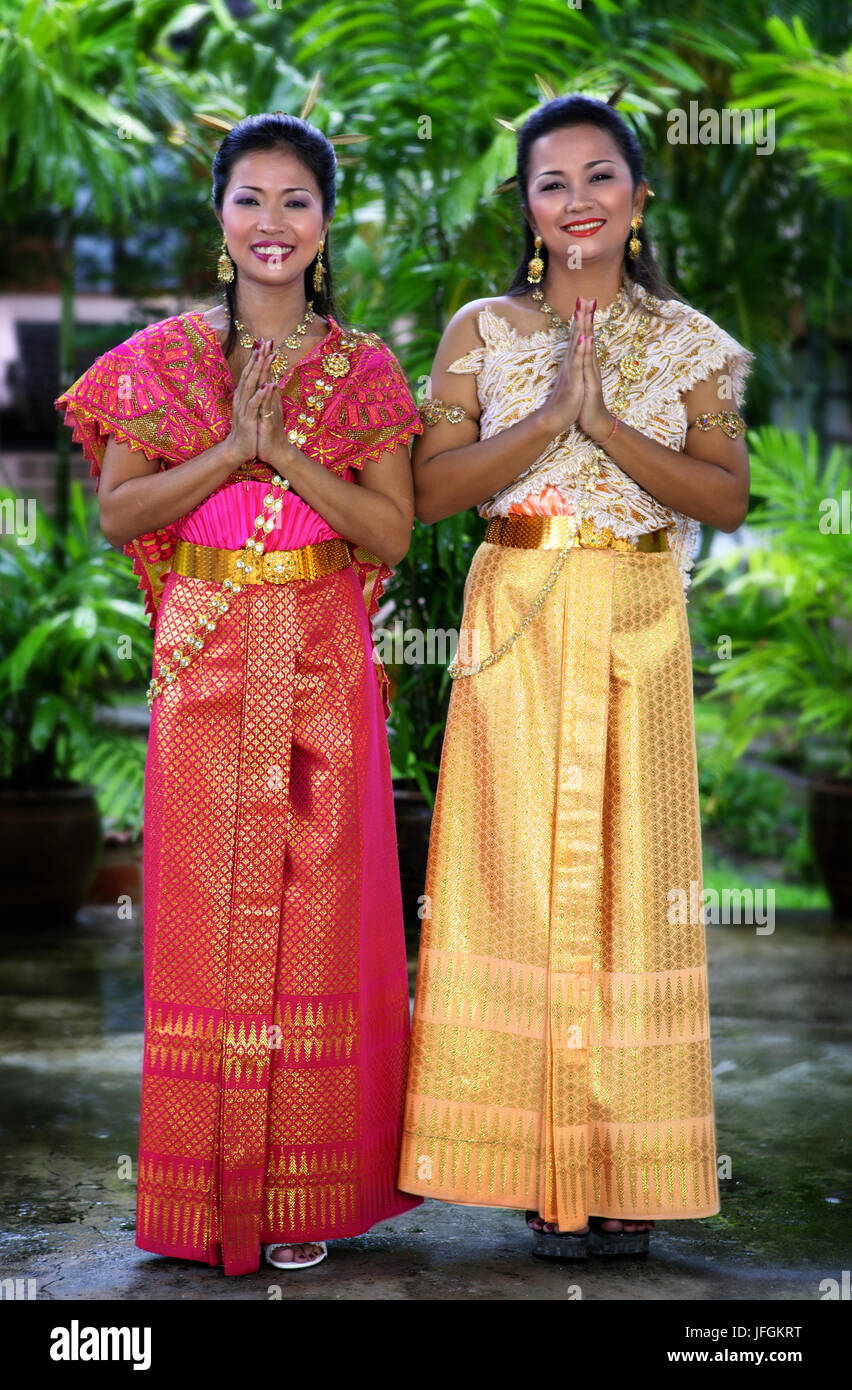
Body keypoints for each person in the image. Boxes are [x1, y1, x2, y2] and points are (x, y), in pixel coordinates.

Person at [55, 112, 424, 1276]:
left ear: (326, 223)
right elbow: (119, 512)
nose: (273, 224)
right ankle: (206, 1199)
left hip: (320, 666)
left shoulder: (362, 368)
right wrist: (225, 453)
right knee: (206, 935)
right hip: (207, 673)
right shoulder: (158, 361)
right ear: (220, 217)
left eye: (297, 202)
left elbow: (391, 531)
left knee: (316, 930)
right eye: (251, 200)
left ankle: (300, 1196)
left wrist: (288, 456)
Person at [396, 94, 754, 1258]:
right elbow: (430, 493)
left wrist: (608, 429)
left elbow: (724, 496)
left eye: (600, 177)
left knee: (630, 883)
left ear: (640, 198)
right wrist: (553, 413)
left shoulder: (692, 341)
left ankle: (624, 1169)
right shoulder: (479, 330)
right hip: (517, 611)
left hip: (640, 616)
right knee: (515, 880)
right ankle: (526, 1164)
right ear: (530, 209)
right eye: (552, 183)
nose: (577, 200)